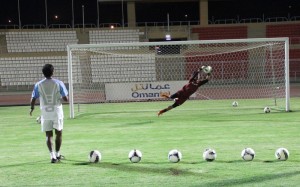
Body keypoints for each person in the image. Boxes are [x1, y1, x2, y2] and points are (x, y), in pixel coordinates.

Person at [29, 64, 69, 163]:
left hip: (45, 112)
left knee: (48, 134)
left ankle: (52, 157)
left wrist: (32, 108)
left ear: (43, 73)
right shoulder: (59, 83)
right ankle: (58, 154)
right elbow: (66, 99)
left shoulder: (38, 84)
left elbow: (33, 98)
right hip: (56, 111)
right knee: (58, 133)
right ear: (53, 72)